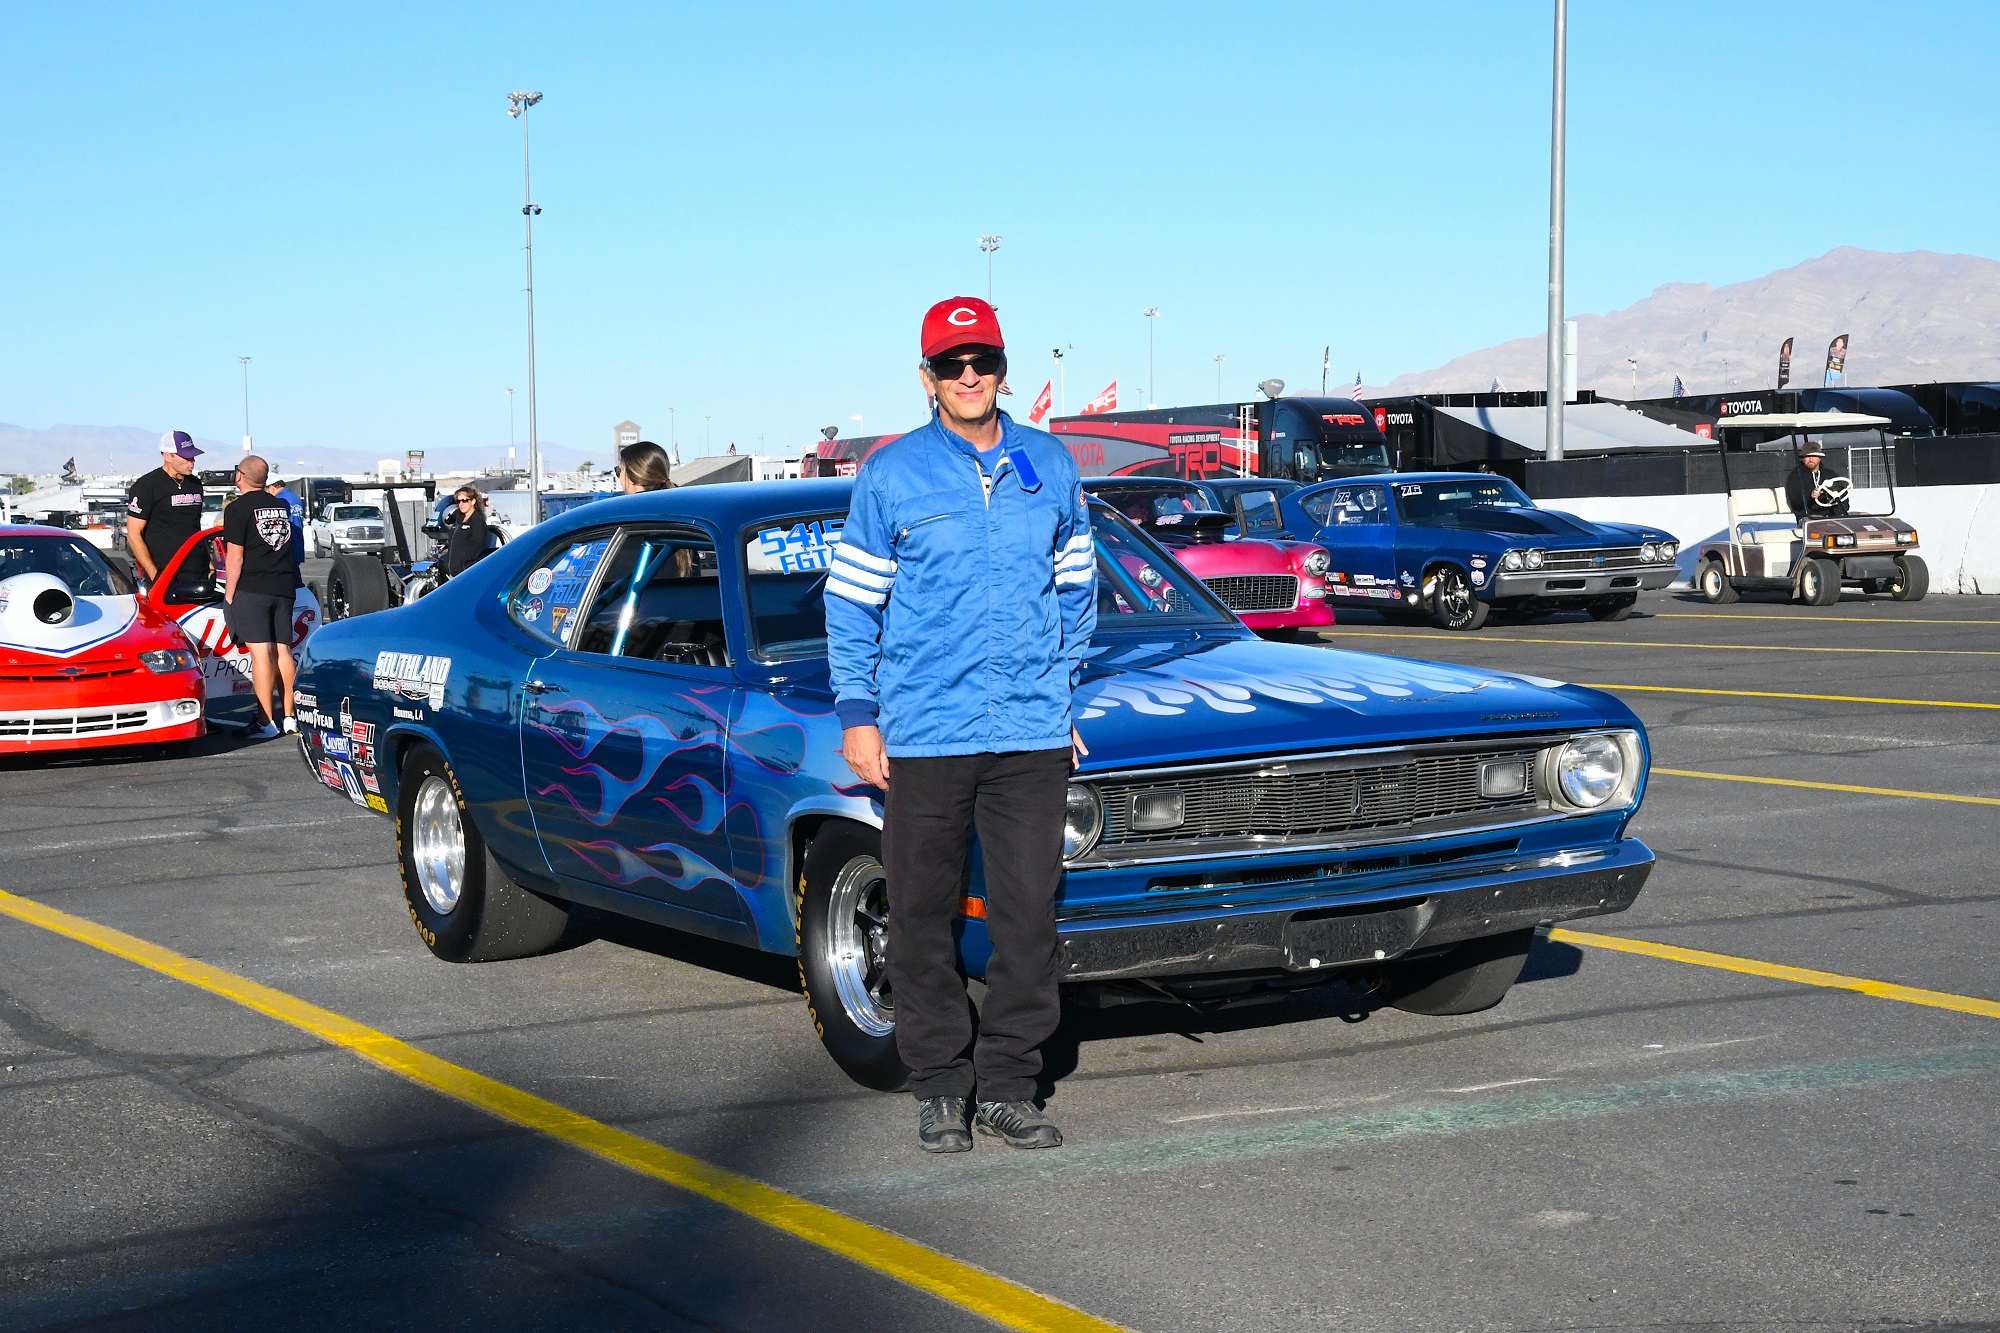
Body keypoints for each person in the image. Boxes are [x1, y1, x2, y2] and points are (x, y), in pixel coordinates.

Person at [825, 296, 1095, 1155]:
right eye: (952, 364)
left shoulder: (1048, 464)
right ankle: (941, 1085)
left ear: (1002, 369)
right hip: (925, 732)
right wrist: (860, 716)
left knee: (1028, 920)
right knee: (920, 916)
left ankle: (1010, 1084)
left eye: (981, 361)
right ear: (927, 378)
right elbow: (851, 603)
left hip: (1029, 733)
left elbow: (1078, 588)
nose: (969, 376)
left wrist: (1062, 692)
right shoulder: (892, 474)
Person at [221, 455, 302, 739]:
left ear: (240, 476)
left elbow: (235, 557)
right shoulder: (281, 505)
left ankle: (266, 722)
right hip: (283, 586)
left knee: (260, 655)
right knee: (283, 651)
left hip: (252, 588)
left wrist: (229, 595)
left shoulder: (237, 509)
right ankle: (289, 716)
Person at [124, 431, 207, 585]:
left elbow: (195, 527)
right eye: (186, 457)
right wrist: (155, 576)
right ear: (167, 456)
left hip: (198, 572)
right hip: (165, 573)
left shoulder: (195, 484)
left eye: (193, 456)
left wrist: (209, 565)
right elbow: (134, 535)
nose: (192, 462)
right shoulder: (146, 486)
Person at [1784, 443, 1849, 521]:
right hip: (1809, 516)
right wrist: (1810, 497)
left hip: (1832, 516)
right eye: (1808, 456)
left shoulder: (1830, 474)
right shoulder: (1795, 476)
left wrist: (1840, 512)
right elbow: (1795, 499)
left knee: (1862, 518)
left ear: (1820, 457)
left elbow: (1842, 495)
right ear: (1803, 458)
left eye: (1814, 456)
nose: (1811, 460)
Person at [444, 486, 490, 576]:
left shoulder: (477, 521)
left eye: (465, 500)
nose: (461, 504)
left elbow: (476, 547)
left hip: (466, 572)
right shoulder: (458, 520)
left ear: (473, 501)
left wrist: (461, 560)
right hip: (452, 571)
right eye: (459, 501)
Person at [266, 476, 307, 571]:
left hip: (285, 547)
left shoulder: (279, 500)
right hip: (298, 543)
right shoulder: (296, 499)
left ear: (272, 487)